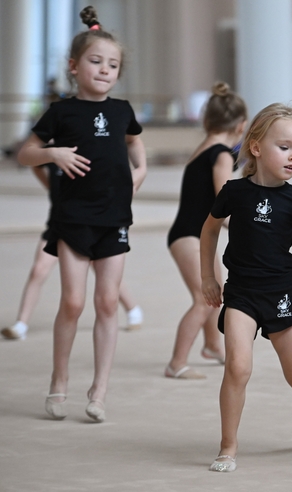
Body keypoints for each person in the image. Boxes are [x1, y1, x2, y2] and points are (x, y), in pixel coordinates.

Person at [16, 6, 147, 423]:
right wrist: (51, 152)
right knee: (72, 303)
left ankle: (99, 390)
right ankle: (59, 379)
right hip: (74, 219)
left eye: (113, 65)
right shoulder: (61, 112)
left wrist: (137, 176)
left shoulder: (123, 110)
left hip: (114, 219)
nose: (105, 70)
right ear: (74, 67)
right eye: (96, 62)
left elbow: (136, 151)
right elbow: (23, 154)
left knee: (107, 302)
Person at [200, 103, 292, 472]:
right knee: (238, 368)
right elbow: (209, 229)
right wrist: (208, 277)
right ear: (256, 147)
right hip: (241, 294)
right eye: (285, 147)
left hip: (281, 297)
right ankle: (228, 446)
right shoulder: (234, 191)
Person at [2, 164, 143, 341]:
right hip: (57, 223)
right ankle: (21, 324)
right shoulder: (50, 152)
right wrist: (52, 188)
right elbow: (34, 165)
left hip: (82, 226)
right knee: (38, 270)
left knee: (102, 272)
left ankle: (133, 309)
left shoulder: (84, 150)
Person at [164, 82, 247, 379]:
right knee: (202, 300)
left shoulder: (204, 148)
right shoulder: (222, 154)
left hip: (195, 234)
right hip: (190, 235)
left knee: (215, 294)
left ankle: (212, 345)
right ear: (241, 125)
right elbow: (224, 201)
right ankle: (177, 362)